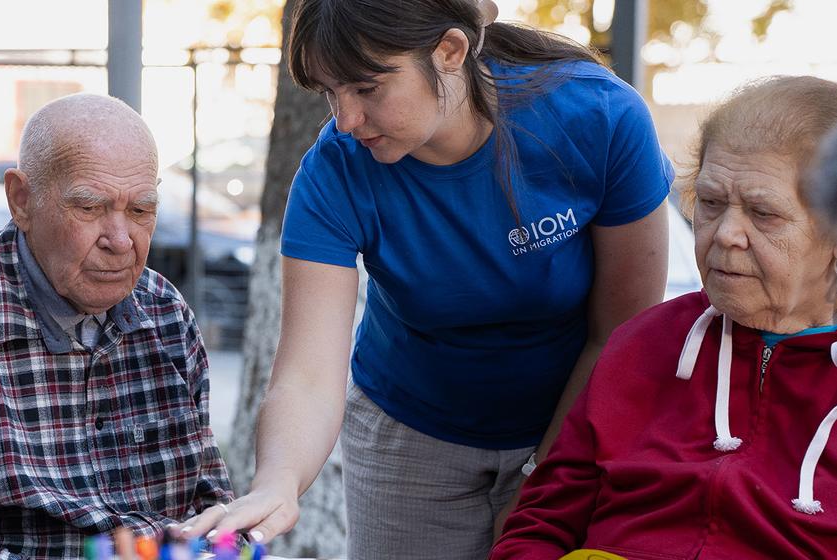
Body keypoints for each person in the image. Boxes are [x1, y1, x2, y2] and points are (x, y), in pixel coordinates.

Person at [182, 0, 674, 556]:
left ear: (450, 50)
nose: (345, 119)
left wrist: (544, 474)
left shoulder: (596, 114)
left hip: (572, 421)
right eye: (329, 93)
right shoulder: (335, 167)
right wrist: (278, 482)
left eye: (366, 88)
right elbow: (307, 374)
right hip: (410, 434)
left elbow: (620, 334)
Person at [0, 93, 233, 559]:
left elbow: (212, 503)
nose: (121, 241)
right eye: (90, 208)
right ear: (21, 200)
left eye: (141, 211)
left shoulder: (164, 312)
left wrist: (220, 543)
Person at [493, 75, 837, 558]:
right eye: (712, 204)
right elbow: (543, 519)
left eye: (764, 213)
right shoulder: (646, 343)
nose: (724, 235)